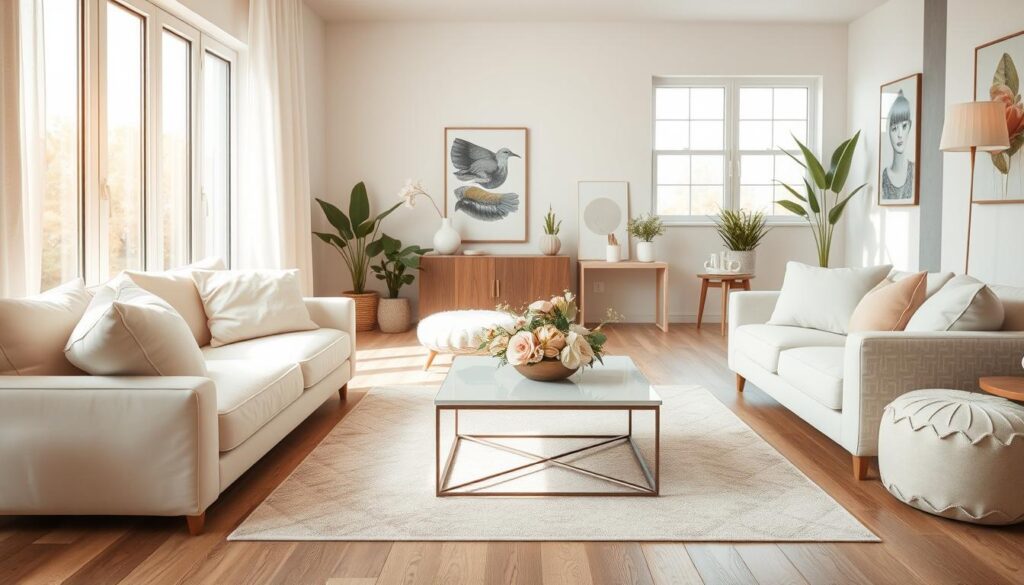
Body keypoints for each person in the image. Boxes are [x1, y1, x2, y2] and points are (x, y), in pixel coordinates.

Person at [882, 89, 914, 201]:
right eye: (894, 128)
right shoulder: (884, 178)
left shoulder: (914, 171)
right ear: (889, 132)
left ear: (910, 126)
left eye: (904, 126)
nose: (900, 135)